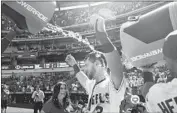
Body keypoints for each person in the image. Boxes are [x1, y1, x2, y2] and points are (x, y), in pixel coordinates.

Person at [65, 14, 126, 112]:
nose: (85, 68)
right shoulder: (92, 84)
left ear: (98, 64)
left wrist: (102, 37)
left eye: (87, 65)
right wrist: (74, 65)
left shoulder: (112, 83)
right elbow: (82, 78)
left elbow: (116, 66)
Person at [142, 30, 177, 112]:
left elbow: (147, 91)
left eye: (165, 56)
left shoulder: (161, 93)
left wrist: (147, 70)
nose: (164, 59)